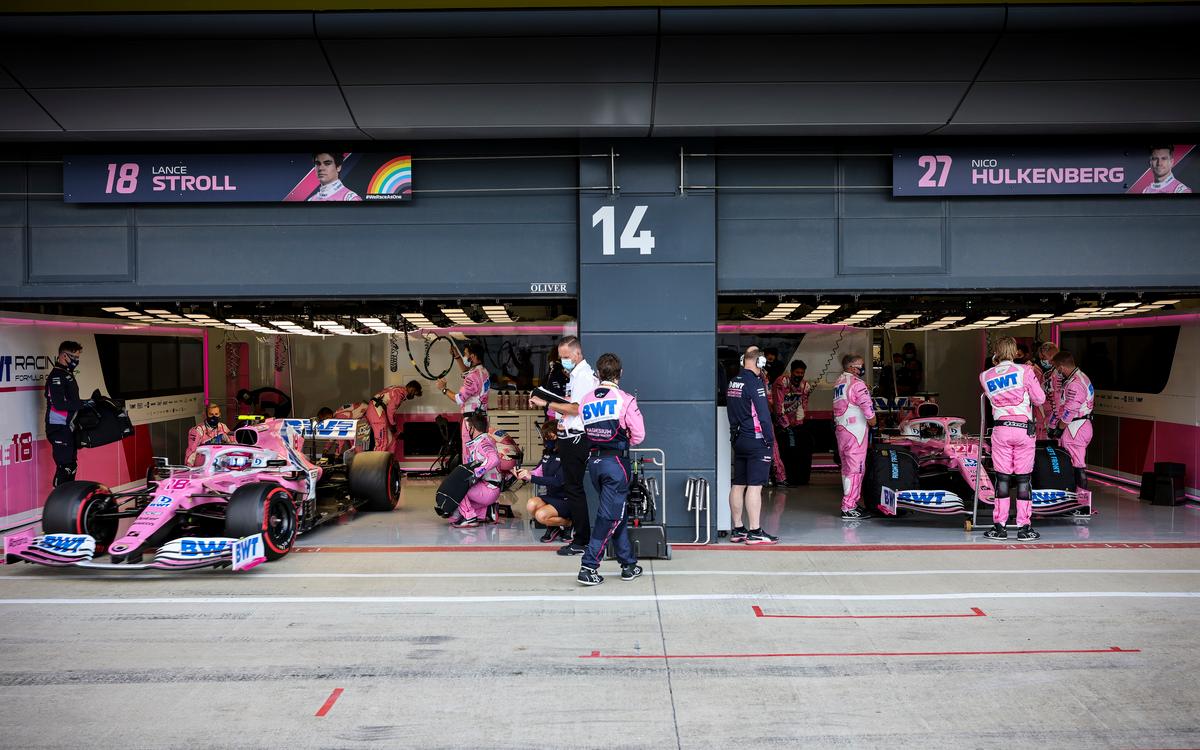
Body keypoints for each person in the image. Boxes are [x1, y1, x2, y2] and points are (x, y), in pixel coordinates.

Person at [576, 353, 646, 585]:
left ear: (597, 373)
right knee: (609, 516)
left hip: (594, 464)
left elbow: (584, 427)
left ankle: (628, 564)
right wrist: (623, 442)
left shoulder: (586, 399)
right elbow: (639, 435)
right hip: (616, 464)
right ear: (620, 373)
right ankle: (589, 566)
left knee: (618, 513)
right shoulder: (625, 399)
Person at [529, 335, 596, 557]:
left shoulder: (584, 376)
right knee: (573, 488)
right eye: (561, 358)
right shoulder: (575, 375)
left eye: (566, 357)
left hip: (576, 438)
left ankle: (581, 539)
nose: (563, 361)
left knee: (574, 489)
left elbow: (576, 408)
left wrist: (546, 403)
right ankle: (580, 536)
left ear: (577, 354)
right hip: (568, 435)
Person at [979, 336, 1047, 541]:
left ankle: (999, 527)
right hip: (1024, 429)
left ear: (997, 352)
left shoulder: (985, 375)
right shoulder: (1025, 371)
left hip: (1000, 429)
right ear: (1015, 351)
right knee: (1024, 480)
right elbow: (1040, 399)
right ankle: (1024, 528)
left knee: (1002, 478)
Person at [725, 346, 780, 544]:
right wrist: (769, 439)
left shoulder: (733, 381)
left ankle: (738, 529)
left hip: (738, 439)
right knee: (755, 487)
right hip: (756, 440)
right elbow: (764, 415)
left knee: (738, 484)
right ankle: (755, 531)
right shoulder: (755, 383)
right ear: (760, 363)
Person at [833, 353, 877, 520]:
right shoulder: (857, 384)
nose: (862, 368)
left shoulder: (839, 382)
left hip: (842, 430)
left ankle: (850, 503)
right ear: (851, 367)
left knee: (846, 469)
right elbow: (868, 409)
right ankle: (849, 507)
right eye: (860, 365)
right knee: (856, 470)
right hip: (855, 432)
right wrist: (873, 421)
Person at [1049, 350, 1094, 512]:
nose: (1056, 372)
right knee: (1075, 464)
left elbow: (1069, 410)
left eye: (1056, 368)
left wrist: (1059, 429)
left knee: (1077, 465)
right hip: (1079, 425)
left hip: (1076, 427)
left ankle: (1082, 505)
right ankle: (1077, 502)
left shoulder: (1075, 383)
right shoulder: (1079, 377)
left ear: (1061, 367)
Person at [518, 420, 573, 544]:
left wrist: (532, 478)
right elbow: (538, 471)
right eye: (546, 436)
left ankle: (569, 523)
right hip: (551, 496)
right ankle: (554, 527)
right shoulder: (548, 453)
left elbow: (558, 481)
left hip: (566, 499)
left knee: (540, 516)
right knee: (531, 504)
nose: (547, 439)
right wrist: (525, 473)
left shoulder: (567, 454)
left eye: (550, 436)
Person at [437, 343, 490, 463]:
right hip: (482, 419)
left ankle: (470, 480)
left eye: (466, 354)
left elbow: (459, 399)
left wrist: (443, 389)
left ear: (473, 356)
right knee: (480, 452)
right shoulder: (483, 372)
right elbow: (467, 372)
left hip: (471, 422)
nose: (465, 356)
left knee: (469, 455)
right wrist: (457, 357)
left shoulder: (473, 376)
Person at [44, 341, 87, 487]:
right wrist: (83, 403)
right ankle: (58, 501)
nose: (77, 360)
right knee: (65, 468)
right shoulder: (56, 376)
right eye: (74, 357)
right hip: (58, 427)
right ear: (64, 356)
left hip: (68, 426)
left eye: (78, 357)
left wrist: (86, 403)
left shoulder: (66, 374)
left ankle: (67, 501)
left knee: (71, 466)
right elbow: (59, 404)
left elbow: (71, 401)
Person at [449, 412, 502, 528]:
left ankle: (470, 518)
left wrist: (477, 473)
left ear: (473, 428)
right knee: (453, 516)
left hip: (488, 488)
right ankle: (487, 511)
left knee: (457, 488)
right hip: (487, 488)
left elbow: (494, 458)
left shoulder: (483, 443)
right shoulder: (483, 440)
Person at [772, 360, 814, 486]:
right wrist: (785, 425)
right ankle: (780, 476)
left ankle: (798, 477)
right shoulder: (782, 382)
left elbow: (803, 406)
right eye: (797, 372)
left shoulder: (805, 386)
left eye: (802, 373)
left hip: (794, 422)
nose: (799, 375)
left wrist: (798, 423)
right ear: (791, 372)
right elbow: (778, 406)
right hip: (777, 422)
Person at [365, 380, 422, 454]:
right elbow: (390, 411)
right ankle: (376, 464)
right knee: (382, 442)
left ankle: (389, 462)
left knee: (392, 441)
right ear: (412, 389)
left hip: (375, 410)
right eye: (414, 394)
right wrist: (393, 425)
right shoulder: (400, 394)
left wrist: (395, 430)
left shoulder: (398, 388)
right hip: (376, 412)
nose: (413, 396)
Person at [1033, 342, 1060, 440]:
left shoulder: (1060, 374)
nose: (1042, 361)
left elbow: (1059, 401)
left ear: (1052, 355)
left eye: (1044, 358)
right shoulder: (1047, 375)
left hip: (1057, 419)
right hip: (1047, 418)